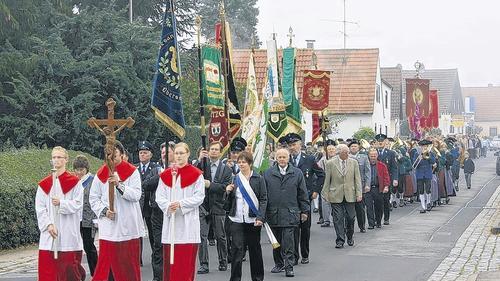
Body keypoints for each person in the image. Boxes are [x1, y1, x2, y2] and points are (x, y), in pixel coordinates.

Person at [90, 141, 145, 281]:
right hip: (109, 227)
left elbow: (136, 195)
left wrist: (120, 185)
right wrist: (104, 211)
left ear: (121, 154)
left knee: (127, 266)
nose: (111, 159)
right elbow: (93, 198)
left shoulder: (132, 172)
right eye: (108, 156)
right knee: (106, 266)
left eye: (114, 156)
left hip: (128, 226)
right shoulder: (100, 174)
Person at [156, 142, 205, 281]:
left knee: (184, 268)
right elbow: (159, 197)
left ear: (188, 154)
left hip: (188, 227)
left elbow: (199, 197)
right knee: (170, 268)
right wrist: (168, 205)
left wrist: (181, 204)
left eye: (181, 153)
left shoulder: (196, 175)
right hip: (170, 227)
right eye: (176, 153)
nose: (178, 156)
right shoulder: (165, 175)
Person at [36, 146, 85, 281]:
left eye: (59, 157)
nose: (56, 160)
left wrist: (62, 203)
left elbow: (78, 204)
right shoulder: (44, 184)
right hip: (50, 235)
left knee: (69, 271)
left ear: (66, 160)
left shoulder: (75, 183)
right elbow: (40, 208)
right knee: (48, 272)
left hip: (68, 233)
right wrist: (48, 225)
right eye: (54, 157)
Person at [264, 148, 309, 277]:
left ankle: (289, 266)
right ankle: (279, 264)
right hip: (273, 213)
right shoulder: (268, 173)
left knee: (288, 242)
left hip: (291, 213)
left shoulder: (297, 173)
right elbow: (264, 195)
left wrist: (304, 211)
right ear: (276, 158)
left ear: (289, 158)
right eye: (280, 157)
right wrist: (262, 214)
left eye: (284, 157)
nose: (282, 159)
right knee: (276, 242)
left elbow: (302, 193)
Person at [224, 151, 267, 281]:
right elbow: (228, 202)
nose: (241, 164)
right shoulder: (235, 178)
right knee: (236, 250)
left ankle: (258, 278)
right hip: (236, 219)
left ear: (250, 163)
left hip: (253, 219)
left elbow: (263, 199)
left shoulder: (258, 179)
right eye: (239, 162)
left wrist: (260, 217)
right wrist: (227, 192)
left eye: (244, 162)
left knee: (255, 250)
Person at [286, 133, 324, 265]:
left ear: (300, 144)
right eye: (289, 145)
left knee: (305, 229)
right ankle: (294, 256)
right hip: (290, 200)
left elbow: (321, 175)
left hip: (306, 198)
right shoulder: (286, 160)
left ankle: (305, 254)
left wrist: (315, 190)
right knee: (293, 229)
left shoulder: (309, 159)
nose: (292, 148)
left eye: (294, 144)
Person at [197, 141, 233, 274]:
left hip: (218, 206)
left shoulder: (226, 169)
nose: (213, 151)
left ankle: (223, 261)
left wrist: (209, 185)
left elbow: (224, 187)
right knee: (202, 237)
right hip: (203, 206)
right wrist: (200, 160)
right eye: (211, 149)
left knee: (221, 236)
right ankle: (204, 264)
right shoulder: (201, 165)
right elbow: (193, 177)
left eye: (216, 149)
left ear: (220, 152)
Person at [321, 144, 362, 248]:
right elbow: (327, 180)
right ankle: (340, 239)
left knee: (351, 217)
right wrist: (325, 193)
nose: (347, 154)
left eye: (348, 152)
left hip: (350, 194)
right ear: (339, 153)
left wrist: (359, 194)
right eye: (345, 152)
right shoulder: (330, 163)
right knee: (338, 218)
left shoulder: (354, 163)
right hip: (335, 194)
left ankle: (349, 236)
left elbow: (357, 179)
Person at [135, 140, 161, 273]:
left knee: (152, 234)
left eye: (145, 152)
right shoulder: (134, 169)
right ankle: (137, 258)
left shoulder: (155, 168)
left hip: (150, 205)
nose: (142, 155)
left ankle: (155, 256)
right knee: (138, 232)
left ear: (151, 154)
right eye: (141, 152)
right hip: (138, 205)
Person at [74, 154, 98, 277]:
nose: (79, 172)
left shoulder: (93, 180)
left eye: (81, 170)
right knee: (76, 246)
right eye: (77, 170)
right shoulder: (74, 182)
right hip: (76, 219)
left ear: (86, 169)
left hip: (89, 219)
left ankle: (96, 273)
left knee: (89, 246)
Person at [374, 134, 398, 225]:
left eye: (382, 141)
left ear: (385, 142)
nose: (380, 143)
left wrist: (395, 179)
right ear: (376, 142)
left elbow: (394, 167)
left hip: (386, 180)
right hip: (376, 180)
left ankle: (386, 218)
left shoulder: (391, 153)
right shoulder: (373, 153)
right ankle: (378, 218)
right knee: (377, 201)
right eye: (379, 141)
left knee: (385, 200)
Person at [348, 139, 371, 233]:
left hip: (360, 186)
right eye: (352, 146)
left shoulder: (364, 157)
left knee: (360, 208)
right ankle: (350, 228)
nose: (353, 148)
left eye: (355, 146)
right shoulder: (346, 157)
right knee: (349, 209)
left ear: (358, 148)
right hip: (349, 186)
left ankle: (362, 226)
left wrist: (367, 185)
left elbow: (367, 172)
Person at [365, 149, 390, 229]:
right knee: (369, 206)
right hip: (368, 188)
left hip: (378, 188)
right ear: (369, 156)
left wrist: (386, 186)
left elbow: (386, 177)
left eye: (374, 156)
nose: (373, 157)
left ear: (377, 156)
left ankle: (378, 221)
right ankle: (371, 223)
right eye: (371, 156)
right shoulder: (366, 165)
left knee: (378, 206)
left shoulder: (382, 165)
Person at [412, 140, 436, 213]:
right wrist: (419, 158)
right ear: (421, 147)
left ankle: (428, 202)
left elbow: (433, 161)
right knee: (421, 190)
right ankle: (423, 206)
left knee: (428, 189)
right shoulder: (417, 154)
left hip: (428, 173)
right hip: (419, 173)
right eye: (423, 146)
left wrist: (428, 157)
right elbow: (414, 164)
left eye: (425, 146)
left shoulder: (430, 153)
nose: (424, 147)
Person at [317, 139, 337, 228]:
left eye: (333, 149)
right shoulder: (323, 160)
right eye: (329, 149)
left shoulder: (338, 159)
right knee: (325, 202)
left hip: (336, 184)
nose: (331, 151)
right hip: (325, 183)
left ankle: (336, 218)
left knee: (336, 202)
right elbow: (318, 169)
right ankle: (326, 220)